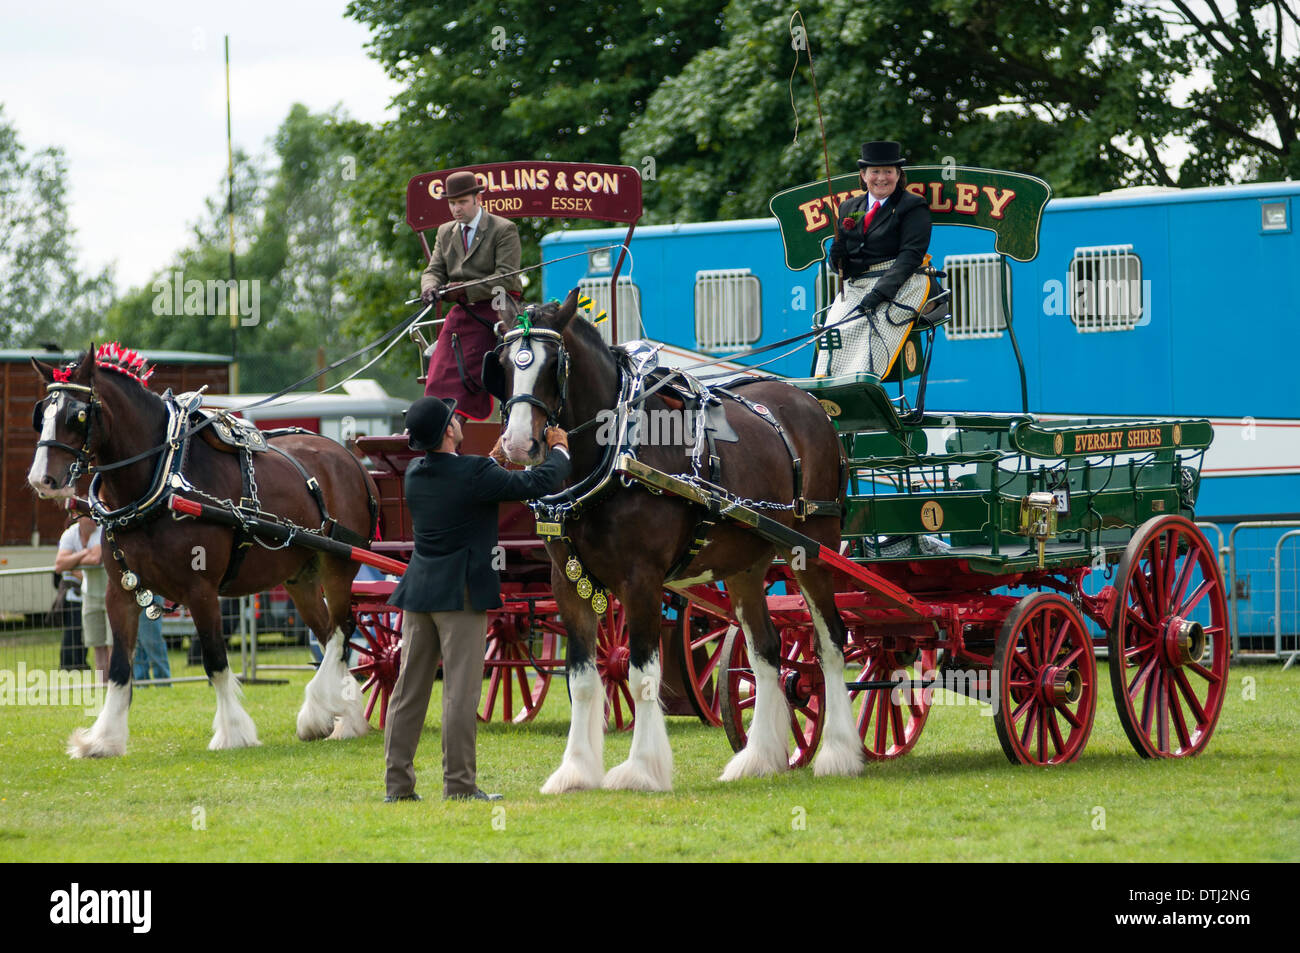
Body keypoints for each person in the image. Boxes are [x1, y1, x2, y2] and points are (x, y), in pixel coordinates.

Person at [383, 396, 570, 803]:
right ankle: (459, 785)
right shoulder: (474, 473)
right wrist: (559, 449)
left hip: (419, 592)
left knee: (408, 692)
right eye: (454, 418)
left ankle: (397, 787)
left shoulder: (416, 471)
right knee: (460, 694)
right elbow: (536, 483)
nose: (459, 420)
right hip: (462, 594)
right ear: (449, 431)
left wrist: (494, 458)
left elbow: (465, 483)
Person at [819, 140, 933, 378]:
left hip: (900, 282)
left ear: (898, 174)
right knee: (834, 331)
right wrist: (837, 258)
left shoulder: (912, 205)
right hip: (858, 286)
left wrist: (881, 293)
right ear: (863, 175)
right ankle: (829, 385)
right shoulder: (850, 207)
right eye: (875, 172)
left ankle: (863, 383)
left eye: (888, 171)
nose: (881, 178)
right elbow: (844, 266)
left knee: (871, 332)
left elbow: (911, 255)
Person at [419, 170, 523, 421]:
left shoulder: (503, 229)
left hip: (498, 306)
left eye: (462, 202)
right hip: (463, 310)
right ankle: (431, 422)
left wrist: (464, 290)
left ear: (478, 199)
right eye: (452, 203)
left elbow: (506, 277)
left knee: (470, 361)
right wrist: (430, 287)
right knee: (440, 364)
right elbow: (433, 270)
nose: (456, 208)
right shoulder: (445, 232)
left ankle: (453, 421)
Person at [54, 516, 109, 680]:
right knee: (94, 643)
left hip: (108, 595)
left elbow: (96, 559)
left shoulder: (101, 531)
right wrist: (85, 552)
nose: (94, 519)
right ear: (78, 517)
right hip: (86, 595)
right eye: (88, 515)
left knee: (112, 644)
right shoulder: (69, 534)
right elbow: (59, 565)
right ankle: (101, 684)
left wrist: (73, 560)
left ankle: (116, 683)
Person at [53, 515, 86, 671]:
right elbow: (61, 564)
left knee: (83, 632)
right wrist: (83, 555)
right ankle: (67, 666)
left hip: (84, 593)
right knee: (72, 631)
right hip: (71, 594)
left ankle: (80, 663)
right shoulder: (70, 535)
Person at [133, 594, 171, 684]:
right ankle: (141, 683)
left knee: (152, 639)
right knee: (137, 642)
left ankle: (163, 682)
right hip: (132, 592)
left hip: (149, 593)